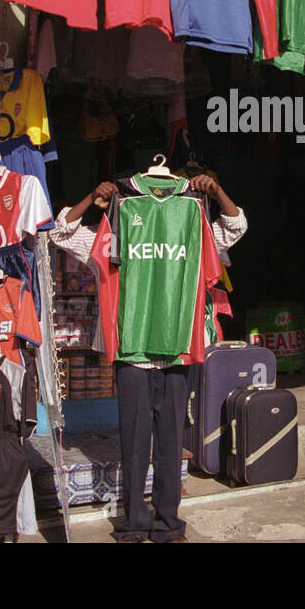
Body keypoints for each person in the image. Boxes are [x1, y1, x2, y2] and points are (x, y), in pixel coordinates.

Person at [50, 173, 246, 543]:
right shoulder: (118, 222)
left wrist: (216, 190)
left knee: (171, 444)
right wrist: (93, 199)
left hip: (177, 352)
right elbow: (61, 232)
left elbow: (236, 225)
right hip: (132, 353)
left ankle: (169, 526)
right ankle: (134, 524)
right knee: (134, 444)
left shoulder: (193, 218)